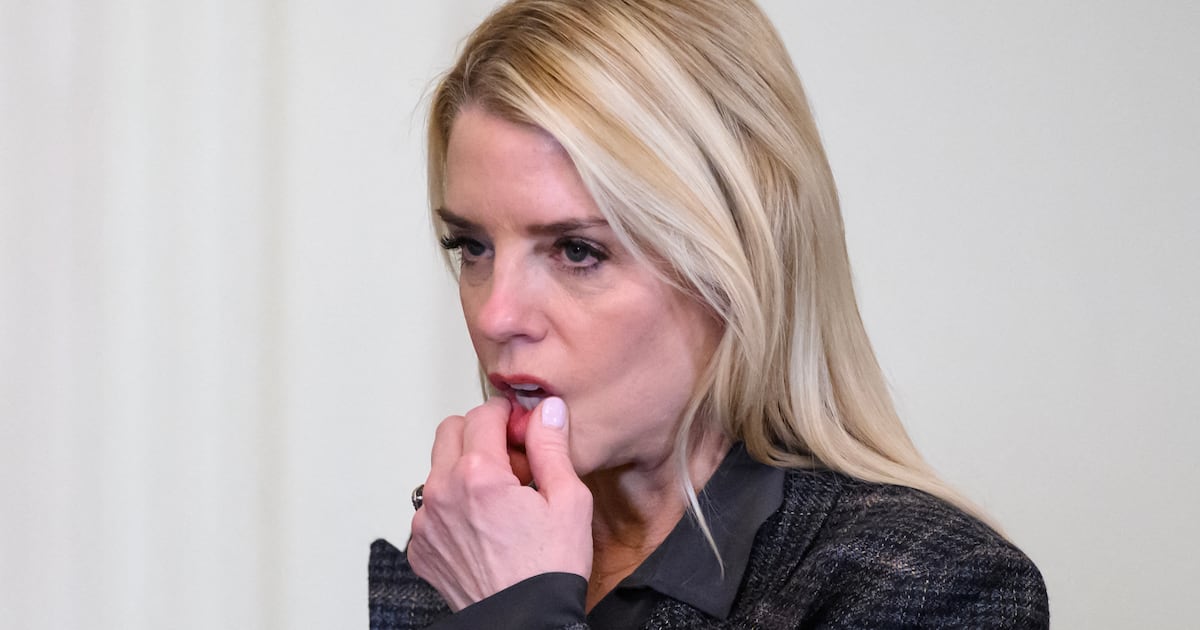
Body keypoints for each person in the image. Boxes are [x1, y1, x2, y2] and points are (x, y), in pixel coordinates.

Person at [369, 0, 1049, 627]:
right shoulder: (459, 555)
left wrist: (519, 613)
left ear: (737, 263)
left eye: (577, 251)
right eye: (473, 247)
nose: (496, 315)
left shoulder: (928, 584)